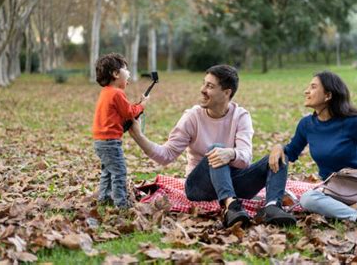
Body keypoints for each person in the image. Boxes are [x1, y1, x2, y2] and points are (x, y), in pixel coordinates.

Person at [127, 65, 296, 227]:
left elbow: (245, 159)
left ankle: (273, 207)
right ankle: (231, 207)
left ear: (226, 92)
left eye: (209, 86)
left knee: (280, 155)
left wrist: (230, 154)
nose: (202, 89)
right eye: (203, 83)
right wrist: (138, 136)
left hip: (233, 182)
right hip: (199, 186)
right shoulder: (192, 117)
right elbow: (166, 155)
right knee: (215, 148)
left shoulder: (241, 116)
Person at [269, 71, 357, 227]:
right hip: (332, 193)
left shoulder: (352, 122)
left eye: (313, 87)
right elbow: (291, 152)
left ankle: (349, 212)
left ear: (328, 96)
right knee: (307, 199)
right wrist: (278, 146)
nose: (306, 91)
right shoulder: (306, 125)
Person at [92, 53, 149, 208]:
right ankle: (121, 203)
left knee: (108, 171)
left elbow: (122, 112)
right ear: (116, 74)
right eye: (126, 70)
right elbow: (129, 112)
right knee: (119, 172)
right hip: (111, 142)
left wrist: (136, 107)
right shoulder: (117, 93)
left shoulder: (106, 92)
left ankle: (104, 199)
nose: (129, 73)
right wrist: (142, 105)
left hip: (100, 141)